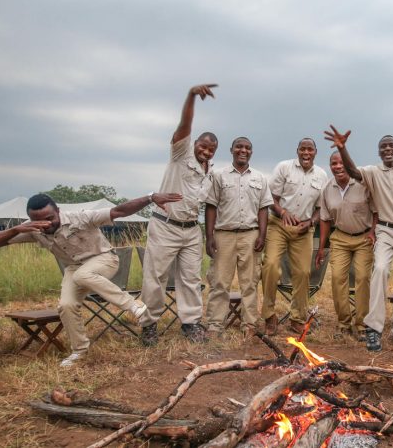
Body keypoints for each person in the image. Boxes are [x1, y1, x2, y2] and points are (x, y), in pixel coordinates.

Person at [0, 192, 182, 367]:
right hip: (74, 269)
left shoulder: (81, 218)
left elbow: (119, 211)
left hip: (104, 259)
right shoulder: (33, 230)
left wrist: (149, 197)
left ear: (58, 211)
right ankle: (79, 350)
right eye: (39, 221)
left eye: (50, 218)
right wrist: (16, 230)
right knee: (66, 305)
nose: (46, 224)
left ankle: (132, 304)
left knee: (82, 274)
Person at [324, 126, 393, 352]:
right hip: (385, 231)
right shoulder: (372, 172)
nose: (387, 149)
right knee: (381, 270)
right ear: (379, 152)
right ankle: (373, 328)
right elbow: (353, 172)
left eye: (391, 145)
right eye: (383, 147)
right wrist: (342, 148)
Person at [139, 84, 218, 346]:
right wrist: (191, 96)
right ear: (194, 143)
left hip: (190, 230)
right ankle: (149, 324)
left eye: (210, 149)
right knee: (156, 277)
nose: (205, 151)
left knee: (190, 278)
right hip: (165, 226)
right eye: (203, 146)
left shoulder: (210, 170)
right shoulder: (180, 153)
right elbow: (185, 124)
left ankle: (191, 323)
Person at [203, 137, 273, 337]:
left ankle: (249, 324)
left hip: (250, 235)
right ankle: (215, 324)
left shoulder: (259, 178)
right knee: (219, 281)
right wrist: (209, 236)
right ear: (231, 150)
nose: (243, 150)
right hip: (223, 234)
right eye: (239, 147)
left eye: (247, 148)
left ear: (251, 151)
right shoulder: (219, 176)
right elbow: (211, 206)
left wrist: (262, 234)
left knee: (250, 282)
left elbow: (263, 209)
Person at [260, 138, 327, 335]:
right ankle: (269, 316)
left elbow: (320, 208)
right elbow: (269, 198)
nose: (306, 153)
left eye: (310, 150)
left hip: (303, 229)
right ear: (297, 151)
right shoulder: (284, 167)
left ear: (315, 152)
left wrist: (311, 222)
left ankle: (297, 317)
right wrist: (282, 213)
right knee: (271, 265)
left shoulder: (322, 175)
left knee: (303, 273)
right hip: (279, 224)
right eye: (303, 149)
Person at [315, 151, 377, 341]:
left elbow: (376, 211)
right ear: (330, 166)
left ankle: (361, 325)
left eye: (341, 163)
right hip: (340, 238)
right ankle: (344, 323)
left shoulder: (363, 184)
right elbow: (325, 219)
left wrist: (373, 232)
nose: (338, 166)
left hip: (363, 237)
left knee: (363, 278)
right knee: (337, 278)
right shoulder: (327, 188)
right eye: (334, 163)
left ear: (349, 165)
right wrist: (321, 247)